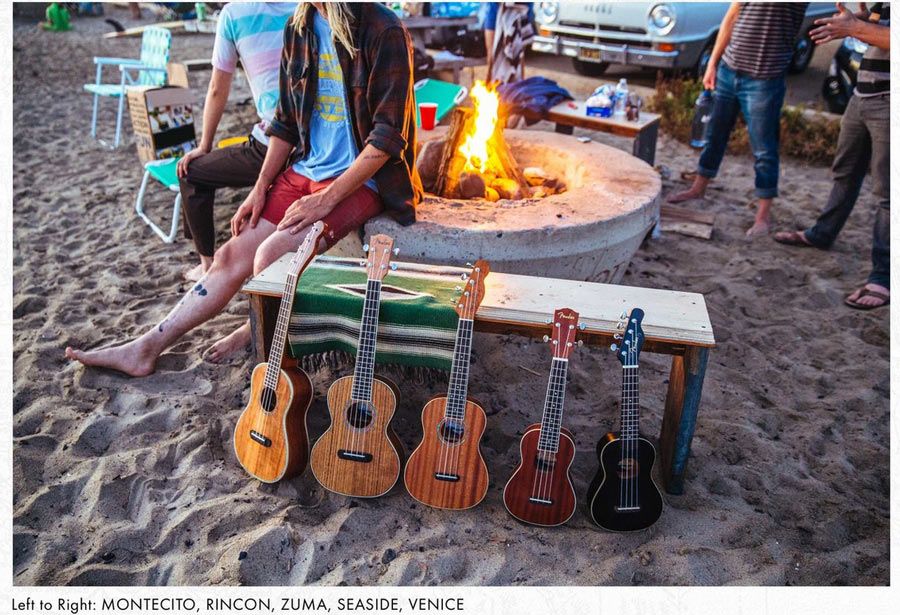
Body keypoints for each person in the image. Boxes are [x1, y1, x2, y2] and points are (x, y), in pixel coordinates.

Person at [66, 2, 421, 376]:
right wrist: (260, 187)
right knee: (228, 256)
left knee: (268, 256)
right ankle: (145, 348)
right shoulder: (299, 26)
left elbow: (386, 138)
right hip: (306, 168)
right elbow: (284, 122)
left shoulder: (382, 28)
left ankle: (266, 354)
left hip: (362, 179)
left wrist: (326, 200)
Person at [773, 2, 889, 310]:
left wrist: (856, 27)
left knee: (888, 194)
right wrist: (860, 20)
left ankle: (883, 276)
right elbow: (880, 32)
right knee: (844, 172)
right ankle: (822, 233)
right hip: (862, 94)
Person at [176, 2, 296, 282]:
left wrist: (204, 146)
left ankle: (206, 266)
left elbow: (218, 87)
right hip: (318, 143)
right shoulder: (308, 6)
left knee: (191, 173)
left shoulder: (233, 14)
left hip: (273, 144)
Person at [666, 2, 808, 237]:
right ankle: (698, 188)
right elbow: (732, 16)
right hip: (729, 70)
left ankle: (763, 216)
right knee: (714, 135)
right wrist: (713, 63)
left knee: (764, 148)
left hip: (764, 79)